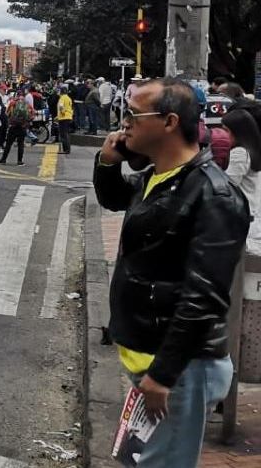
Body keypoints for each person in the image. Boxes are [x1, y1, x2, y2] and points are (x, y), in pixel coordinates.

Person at [95, 78, 250, 465]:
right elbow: (115, 198)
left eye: (133, 114)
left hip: (182, 369)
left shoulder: (214, 196)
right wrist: (108, 163)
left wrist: (164, 375)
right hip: (154, 360)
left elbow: (204, 296)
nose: (123, 123)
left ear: (168, 122)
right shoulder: (156, 177)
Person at [0, 90, 33, 166]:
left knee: (8, 144)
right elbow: (31, 115)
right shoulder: (27, 104)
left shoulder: (13, 103)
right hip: (22, 127)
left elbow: (7, 113)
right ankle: (19, 161)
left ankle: (3, 159)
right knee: (20, 144)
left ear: (16, 95)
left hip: (13, 126)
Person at [56, 85, 74, 155]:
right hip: (68, 117)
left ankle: (66, 149)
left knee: (63, 134)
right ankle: (67, 149)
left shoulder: (62, 98)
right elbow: (70, 108)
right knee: (66, 134)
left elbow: (61, 107)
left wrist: (62, 113)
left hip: (63, 118)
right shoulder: (69, 98)